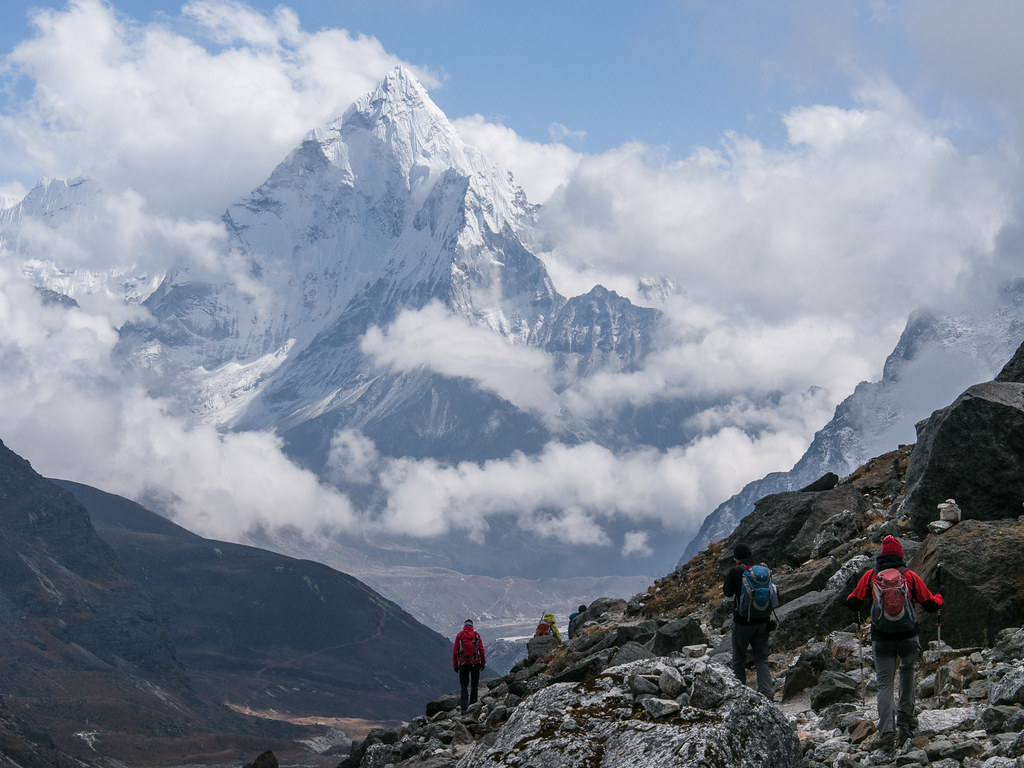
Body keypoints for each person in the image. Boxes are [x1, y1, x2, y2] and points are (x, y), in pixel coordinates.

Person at [845, 535, 943, 751]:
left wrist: (854, 587)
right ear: (900, 556)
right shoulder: (909, 576)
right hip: (908, 637)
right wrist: (940, 597)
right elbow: (930, 605)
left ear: (881, 556)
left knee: (884, 684)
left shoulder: (871, 577)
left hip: (882, 640)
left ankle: (887, 732)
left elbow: (852, 603)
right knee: (907, 674)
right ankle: (906, 720)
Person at [722, 542, 774, 699]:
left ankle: (740, 696)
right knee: (761, 660)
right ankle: (767, 694)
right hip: (763, 622)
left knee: (738, 660)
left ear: (737, 559)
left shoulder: (736, 571)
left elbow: (727, 592)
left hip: (742, 623)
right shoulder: (762, 571)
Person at [452, 619, 485, 713]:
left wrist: (455, 665)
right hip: (475, 663)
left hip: (463, 663)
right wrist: (483, 662)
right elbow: (481, 650)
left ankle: (464, 707)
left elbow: (455, 652)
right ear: (472, 626)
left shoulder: (460, 636)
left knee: (464, 685)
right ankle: (473, 706)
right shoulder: (476, 636)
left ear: (464, 625)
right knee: (474, 685)